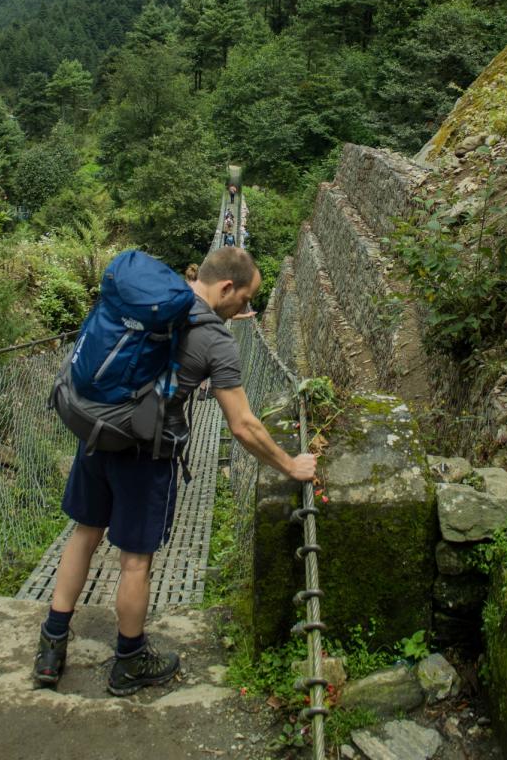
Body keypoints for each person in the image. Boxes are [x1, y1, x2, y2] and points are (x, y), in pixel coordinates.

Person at [33, 247, 316, 696]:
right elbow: (242, 426)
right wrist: (289, 463)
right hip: (146, 455)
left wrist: (225, 318)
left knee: (84, 533)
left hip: (95, 430)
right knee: (135, 561)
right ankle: (128, 661)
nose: (246, 310)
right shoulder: (216, 342)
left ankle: (51, 646)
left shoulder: (150, 302)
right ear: (226, 288)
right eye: (244, 300)